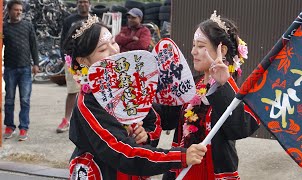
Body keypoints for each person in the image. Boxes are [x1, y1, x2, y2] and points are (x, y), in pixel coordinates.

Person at [62, 15, 207, 179]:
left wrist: (144, 135)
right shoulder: (88, 102)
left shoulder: (125, 80)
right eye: (103, 49)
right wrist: (179, 157)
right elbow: (121, 152)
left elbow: (154, 118)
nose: (114, 51)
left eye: (113, 42)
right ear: (83, 61)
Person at [160, 11, 260, 179]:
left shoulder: (232, 90)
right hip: (183, 170)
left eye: (200, 46)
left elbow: (239, 129)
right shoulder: (190, 84)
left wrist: (222, 84)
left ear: (222, 49)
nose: (193, 52)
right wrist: (164, 89)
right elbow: (168, 122)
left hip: (214, 173)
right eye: (193, 45)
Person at [3, 0, 40, 141]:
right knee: (9, 99)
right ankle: (9, 126)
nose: (18, 12)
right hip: (10, 69)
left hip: (25, 69)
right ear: (9, 10)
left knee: (25, 100)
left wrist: (36, 64)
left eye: (20, 10)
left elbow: (34, 45)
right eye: (16, 10)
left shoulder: (27, 25)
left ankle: (23, 128)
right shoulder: (4, 28)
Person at [56, 0, 91, 133]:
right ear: (77, 4)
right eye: (80, 2)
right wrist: (65, 58)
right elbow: (63, 40)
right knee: (72, 91)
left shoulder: (94, 20)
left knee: (90, 92)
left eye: (86, 2)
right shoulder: (69, 20)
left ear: (89, 4)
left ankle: (88, 121)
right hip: (73, 60)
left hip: (89, 60)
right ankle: (66, 119)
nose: (83, 4)